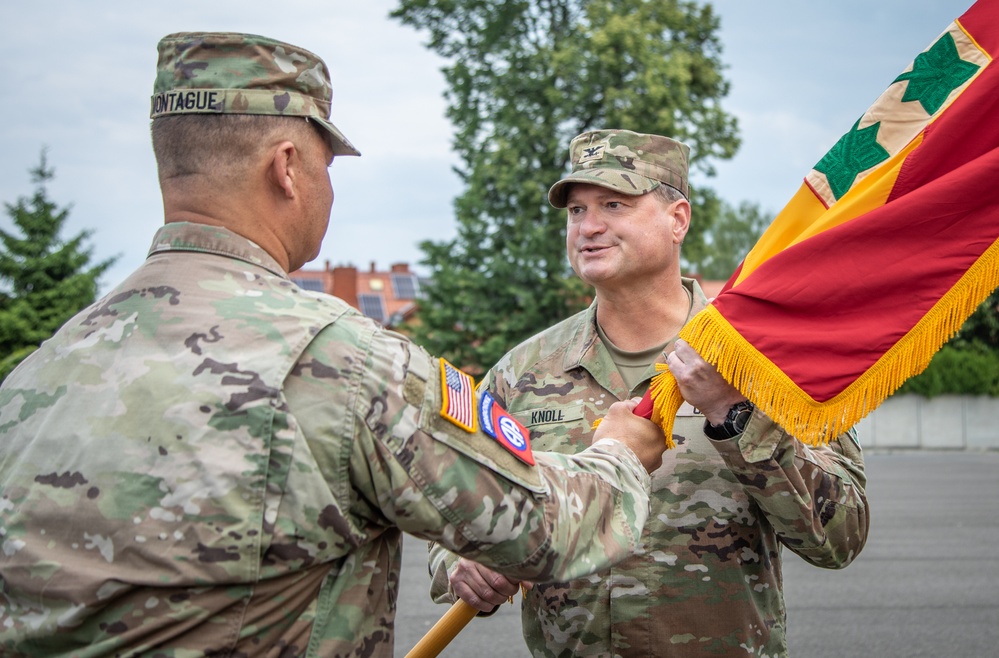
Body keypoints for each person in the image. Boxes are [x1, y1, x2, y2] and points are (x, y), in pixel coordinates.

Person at [0, 36, 669, 657]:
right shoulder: (340, 361)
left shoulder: (40, 373)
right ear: (287, 168)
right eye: (325, 163)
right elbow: (546, 529)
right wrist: (617, 453)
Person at [429, 129, 870, 657]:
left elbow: (839, 536)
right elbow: (450, 507)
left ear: (677, 218)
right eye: (576, 211)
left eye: (614, 204)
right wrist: (462, 561)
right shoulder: (519, 373)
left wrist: (734, 413)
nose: (588, 227)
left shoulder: (765, 364)